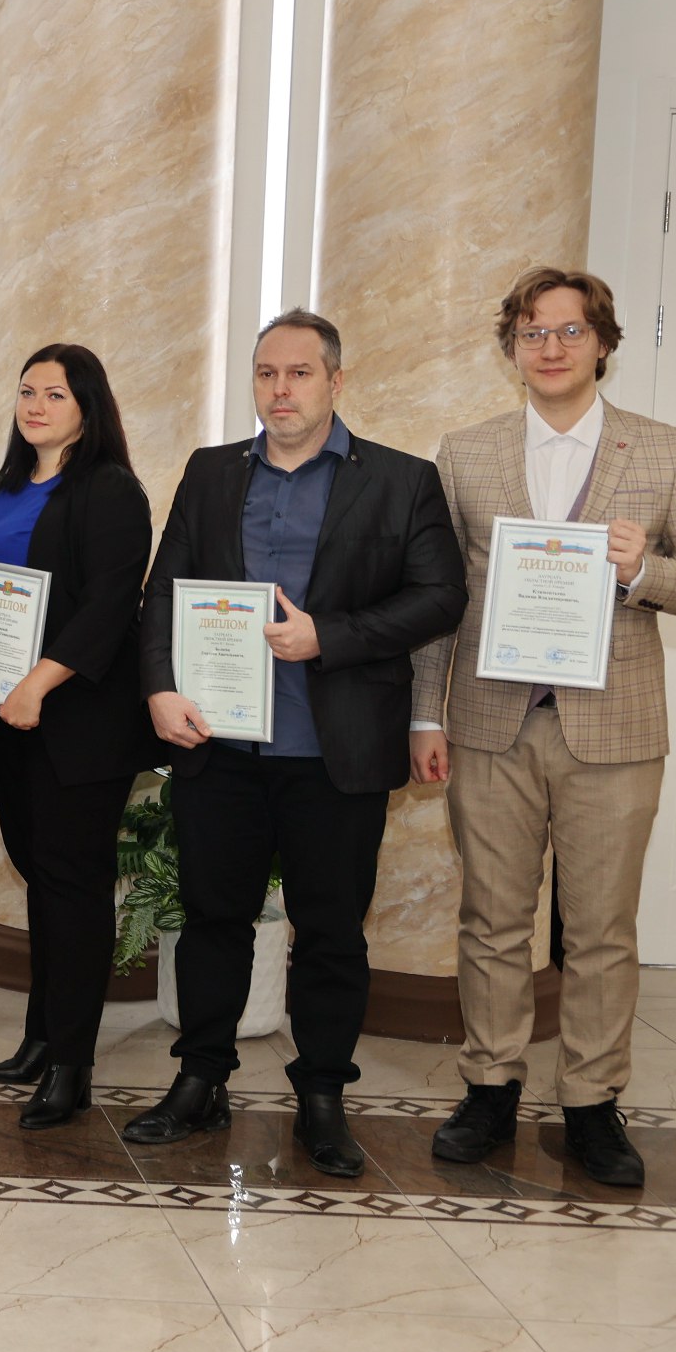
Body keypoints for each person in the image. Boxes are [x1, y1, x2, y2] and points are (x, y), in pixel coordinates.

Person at [127, 310, 466, 1177]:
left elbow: (441, 597)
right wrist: (159, 688)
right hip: (220, 745)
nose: (281, 390)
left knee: (330, 933)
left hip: (333, 750)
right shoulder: (209, 473)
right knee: (212, 921)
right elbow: (164, 591)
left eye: (300, 373)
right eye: (267, 374)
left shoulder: (402, 480)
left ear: (336, 382)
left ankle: (321, 1096)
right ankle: (200, 1079)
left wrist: (331, 636)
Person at [409, 268, 676, 1187]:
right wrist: (424, 712)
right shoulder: (466, 454)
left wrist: (644, 572)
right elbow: (439, 599)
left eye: (570, 331)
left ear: (602, 343)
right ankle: (490, 1086)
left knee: (601, 929)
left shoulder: (666, 451)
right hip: (492, 722)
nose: (552, 348)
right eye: (533, 333)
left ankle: (593, 1103)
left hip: (616, 730)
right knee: (491, 919)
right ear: (512, 349)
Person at [0, 344, 157, 1128]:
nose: (36, 405)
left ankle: (73, 1066)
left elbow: (109, 605)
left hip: (78, 721)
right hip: (8, 714)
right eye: (27, 391)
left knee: (74, 887)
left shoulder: (110, 490)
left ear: (88, 406)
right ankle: (41, 1038)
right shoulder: (8, 488)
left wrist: (37, 684)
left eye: (55, 393)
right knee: (41, 877)